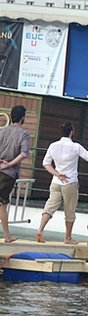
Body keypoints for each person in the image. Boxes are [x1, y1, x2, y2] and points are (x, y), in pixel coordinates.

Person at [36, 122, 88, 244]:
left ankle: (40, 230)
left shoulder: (53, 145)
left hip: (56, 181)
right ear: (72, 132)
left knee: (49, 207)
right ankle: (68, 237)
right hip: (70, 182)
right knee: (70, 211)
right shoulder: (75, 146)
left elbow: (46, 163)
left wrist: (56, 173)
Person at [0, 104, 31, 243]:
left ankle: (7, 236)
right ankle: (7, 236)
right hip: (8, 174)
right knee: (2, 204)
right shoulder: (23, 134)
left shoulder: (2, 131)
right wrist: (10, 163)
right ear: (23, 118)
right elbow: (24, 153)